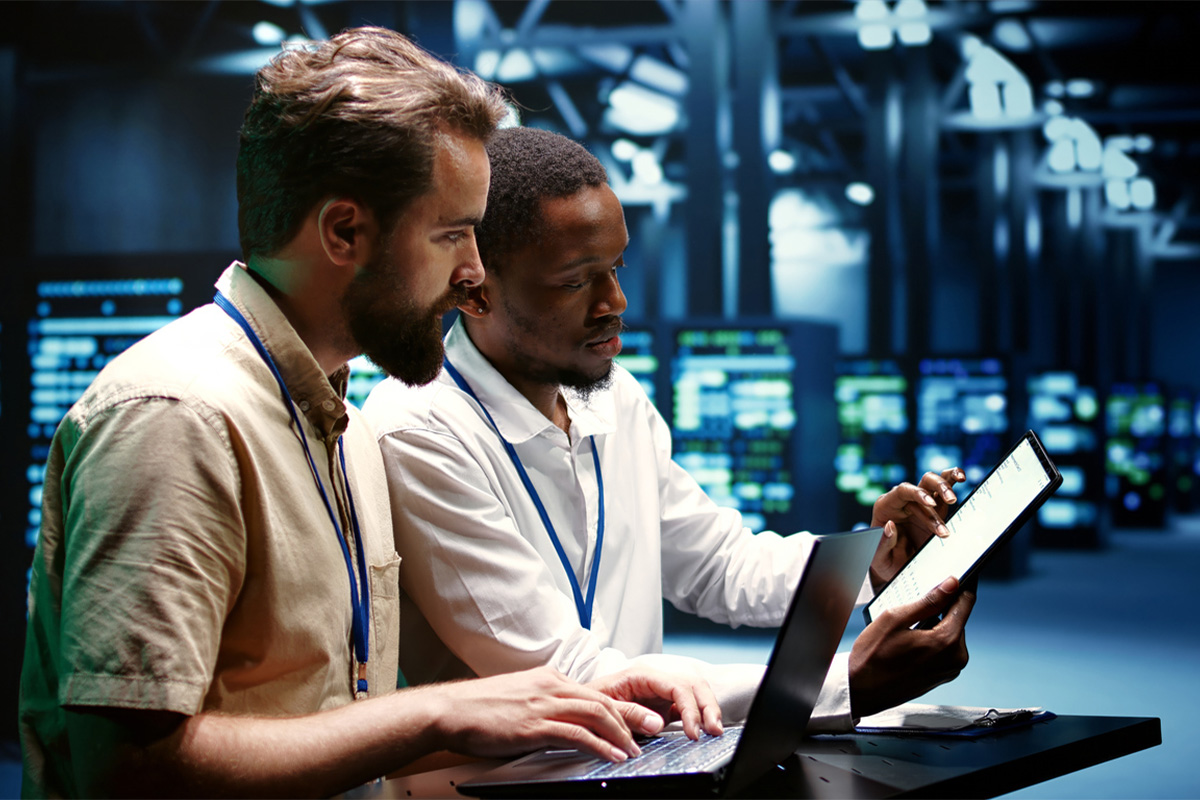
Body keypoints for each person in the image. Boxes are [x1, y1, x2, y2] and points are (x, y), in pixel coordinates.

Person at [19, 31, 721, 799]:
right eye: (453, 234)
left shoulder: (337, 424)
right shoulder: (177, 417)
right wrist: (438, 714)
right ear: (345, 231)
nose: (474, 273)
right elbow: (129, 769)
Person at [363, 126, 976, 731]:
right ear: (474, 292)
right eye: (576, 281)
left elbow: (720, 566)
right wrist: (846, 683)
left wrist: (873, 558)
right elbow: (573, 677)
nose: (615, 302)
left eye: (616, 267)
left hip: (641, 762)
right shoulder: (419, 432)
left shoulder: (614, 398)